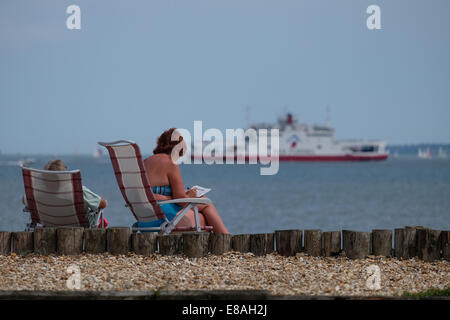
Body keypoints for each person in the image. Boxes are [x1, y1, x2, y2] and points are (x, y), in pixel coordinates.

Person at [139, 128, 229, 234]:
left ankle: (226, 240)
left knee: (201, 213)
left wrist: (170, 196)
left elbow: (149, 194)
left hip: (144, 222)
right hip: (164, 221)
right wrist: (190, 195)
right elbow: (181, 200)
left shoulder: (144, 163)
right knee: (206, 205)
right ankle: (227, 239)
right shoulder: (170, 163)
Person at [22, 160, 109, 228]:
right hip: (79, 227)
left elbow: (25, 201)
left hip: (50, 226)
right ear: (64, 175)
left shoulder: (38, 193)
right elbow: (102, 204)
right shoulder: (78, 191)